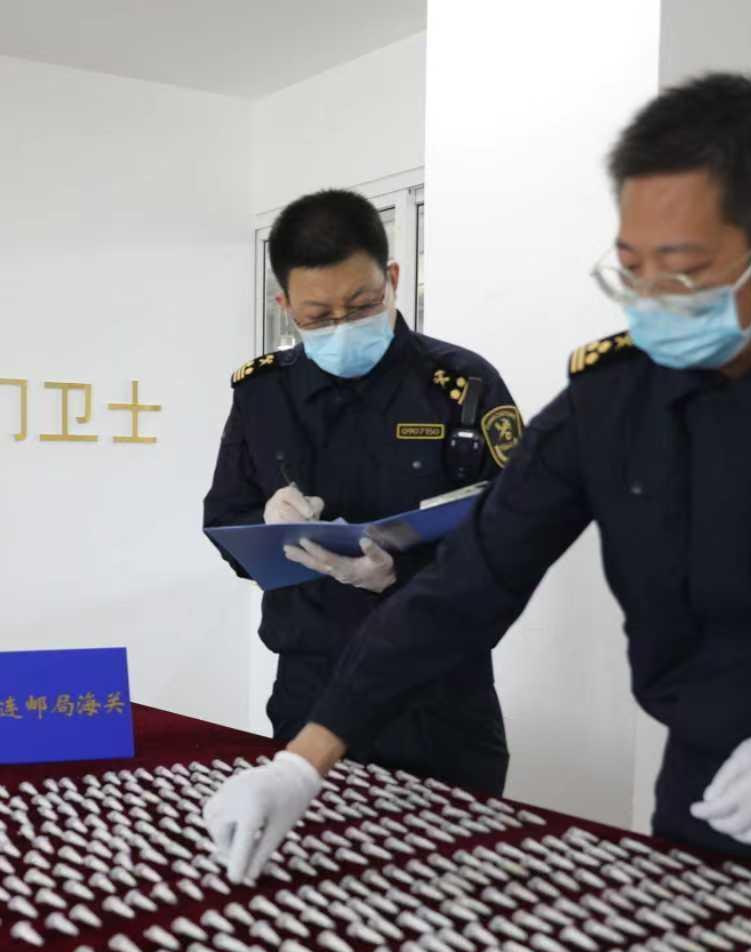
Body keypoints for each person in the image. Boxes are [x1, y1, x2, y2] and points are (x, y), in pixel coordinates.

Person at [203, 74, 751, 913]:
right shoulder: (614, 400)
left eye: (683, 269)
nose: (651, 301)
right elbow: (470, 582)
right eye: (632, 267)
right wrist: (306, 758)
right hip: (699, 795)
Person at [204, 189, 523, 793]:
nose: (342, 327)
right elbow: (223, 519)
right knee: (313, 850)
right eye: (317, 316)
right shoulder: (263, 394)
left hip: (439, 692)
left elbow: (516, 535)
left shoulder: (463, 384)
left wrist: (401, 577)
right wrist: (266, 520)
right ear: (285, 305)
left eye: (361, 305)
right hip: (310, 685)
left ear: (392, 279)